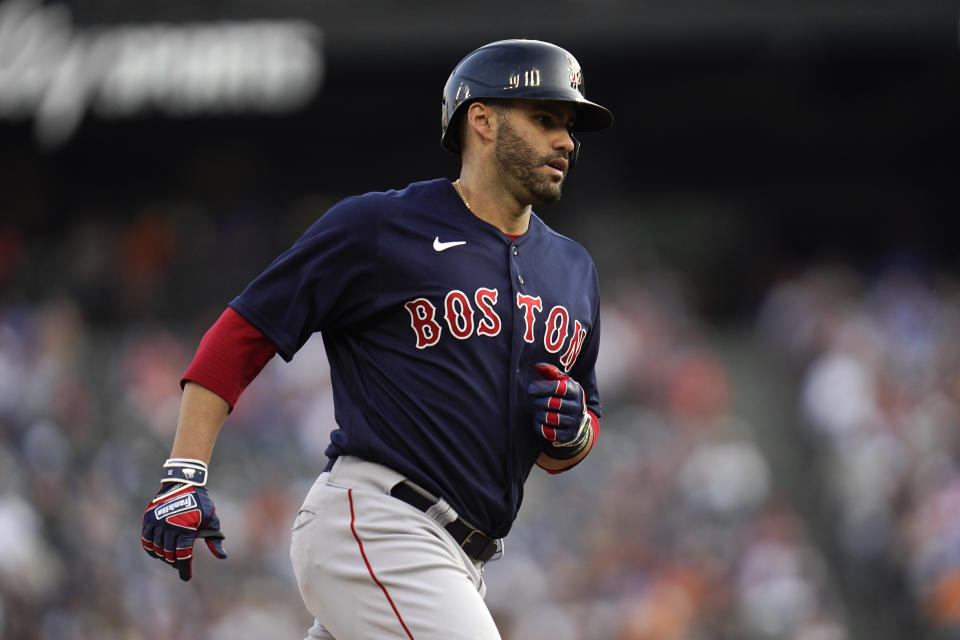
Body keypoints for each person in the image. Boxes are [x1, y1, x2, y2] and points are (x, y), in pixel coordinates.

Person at [140, 38, 614, 639]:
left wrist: (572, 429)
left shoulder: (573, 270)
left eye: (570, 126)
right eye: (546, 118)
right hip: (381, 521)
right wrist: (184, 470)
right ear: (483, 119)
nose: (567, 141)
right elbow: (245, 331)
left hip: (460, 559)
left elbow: (570, 439)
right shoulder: (382, 226)